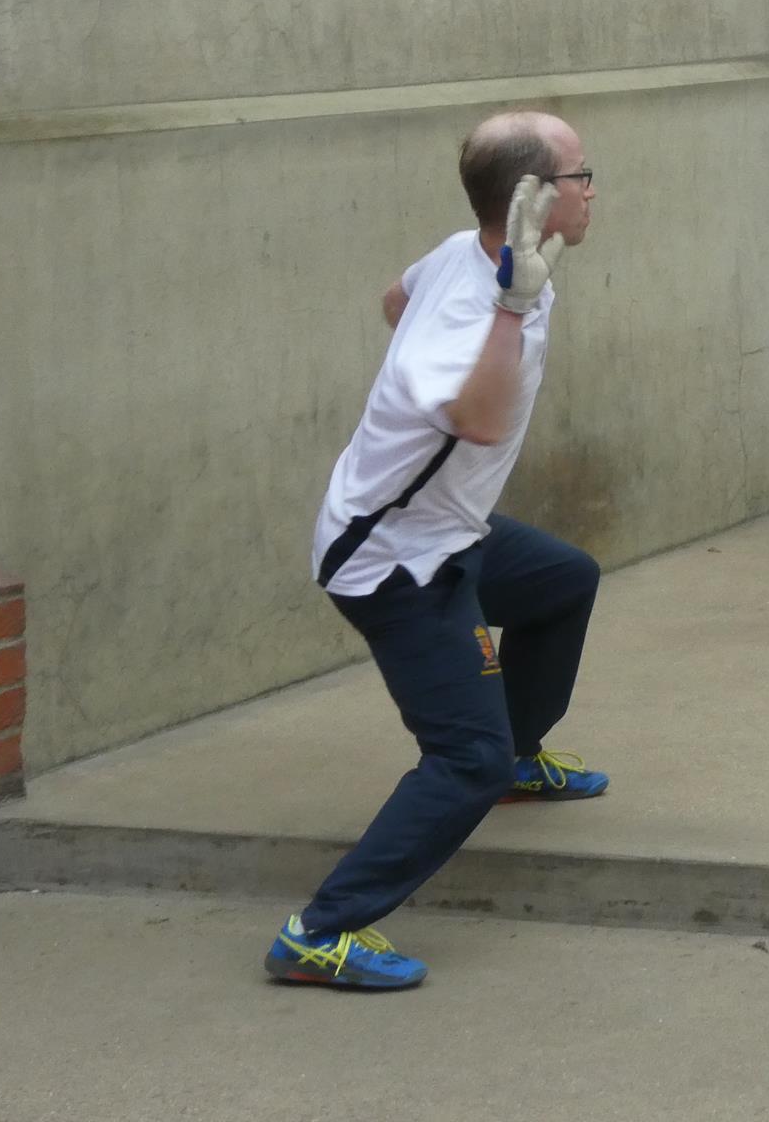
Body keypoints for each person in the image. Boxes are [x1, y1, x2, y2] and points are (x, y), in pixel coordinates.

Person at [264, 111, 607, 989]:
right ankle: (320, 932)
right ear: (534, 200)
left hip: (447, 533)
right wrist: (508, 309)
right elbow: (482, 422)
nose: (592, 188)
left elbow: (393, 299)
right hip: (392, 567)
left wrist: (508, 294)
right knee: (463, 757)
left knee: (564, 581)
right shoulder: (483, 308)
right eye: (581, 174)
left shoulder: (470, 251)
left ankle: (520, 756)